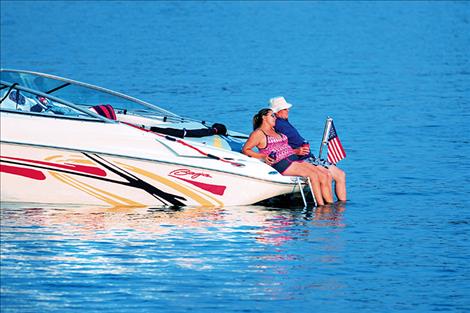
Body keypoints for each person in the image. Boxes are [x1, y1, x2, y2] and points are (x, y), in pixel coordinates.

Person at [242, 108, 334, 206]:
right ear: (264, 118)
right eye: (272, 116)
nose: (275, 118)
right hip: (282, 163)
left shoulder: (274, 130)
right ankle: (322, 207)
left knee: (325, 174)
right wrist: (263, 156)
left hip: (293, 159)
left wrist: (297, 151)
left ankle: (330, 204)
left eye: (275, 116)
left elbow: (285, 146)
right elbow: (246, 149)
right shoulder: (259, 133)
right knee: (314, 175)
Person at [269, 96, 347, 201]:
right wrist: (296, 151)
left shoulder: (284, 122)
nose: (288, 110)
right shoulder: (278, 124)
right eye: (284, 109)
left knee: (340, 174)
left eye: (287, 108)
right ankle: (332, 207)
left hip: (308, 157)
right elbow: (277, 146)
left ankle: (340, 206)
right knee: (331, 175)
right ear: (277, 112)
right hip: (301, 158)